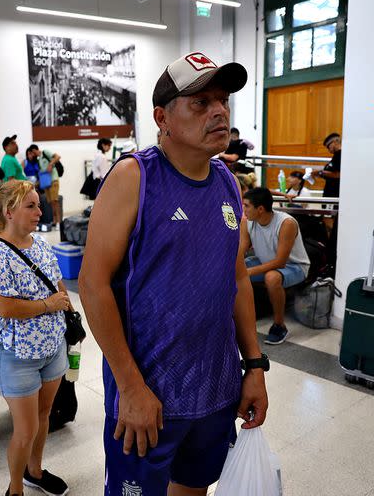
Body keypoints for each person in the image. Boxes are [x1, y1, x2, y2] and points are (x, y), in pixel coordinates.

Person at [79, 51, 268, 496]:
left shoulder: (226, 182)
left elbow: (237, 278)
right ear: (162, 117)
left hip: (216, 390)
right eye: (200, 103)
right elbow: (92, 284)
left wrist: (254, 366)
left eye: (221, 100)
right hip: (150, 397)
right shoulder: (134, 178)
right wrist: (130, 387)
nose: (219, 111)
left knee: (193, 490)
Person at [0, 179, 71, 496]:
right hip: (17, 355)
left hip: (52, 347)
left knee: (44, 417)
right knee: (26, 428)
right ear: (8, 212)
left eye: (38, 205)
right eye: (30, 206)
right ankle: (14, 488)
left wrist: (60, 301)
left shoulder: (41, 243)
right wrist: (49, 305)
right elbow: (3, 306)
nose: (38, 211)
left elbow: (58, 282)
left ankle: (35, 471)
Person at [242, 187, 310, 345]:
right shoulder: (247, 222)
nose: (243, 209)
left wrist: (248, 271)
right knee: (234, 269)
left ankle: (279, 326)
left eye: (246, 206)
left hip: (295, 266)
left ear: (260, 209)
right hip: (264, 262)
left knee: (271, 277)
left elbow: (280, 262)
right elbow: (241, 251)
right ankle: (236, 317)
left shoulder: (286, 223)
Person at [28, 145, 62, 227]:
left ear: (34, 150)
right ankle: (54, 221)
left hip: (53, 179)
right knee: (50, 202)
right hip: (46, 182)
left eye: (31, 153)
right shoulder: (39, 160)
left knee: (55, 201)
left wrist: (51, 164)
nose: (32, 155)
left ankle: (59, 222)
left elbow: (57, 157)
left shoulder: (45, 152)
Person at [318, 132, 341, 199]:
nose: (329, 150)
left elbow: (338, 174)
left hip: (335, 194)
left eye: (328, 147)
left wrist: (320, 172)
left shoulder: (340, 155)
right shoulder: (336, 156)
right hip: (330, 192)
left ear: (335, 142)